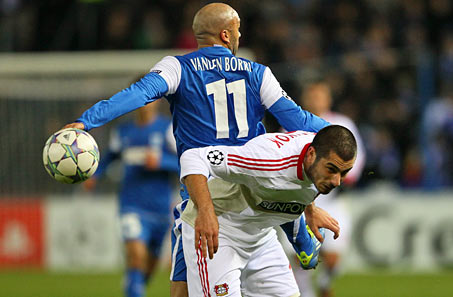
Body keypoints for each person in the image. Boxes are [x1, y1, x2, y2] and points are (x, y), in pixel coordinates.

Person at [64, 3, 332, 296]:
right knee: (273, 173)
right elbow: (298, 121)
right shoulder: (258, 73)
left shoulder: (177, 67)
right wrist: (339, 135)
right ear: (226, 35)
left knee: (180, 290)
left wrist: (86, 121)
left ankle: (295, 225)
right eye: (238, 28)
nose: (240, 34)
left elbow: (138, 94)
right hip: (254, 188)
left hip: (204, 193)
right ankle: (295, 226)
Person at [179, 125, 357, 296]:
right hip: (219, 230)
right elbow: (194, 158)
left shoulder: (322, 159)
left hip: (260, 235)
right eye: (332, 170)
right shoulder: (268, 160)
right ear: (311, 154)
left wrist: (310, 209)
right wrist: (205, 211)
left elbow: (292, 187)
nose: (336, 181)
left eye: (344, 173)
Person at [82, 101, 180, 297]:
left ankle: (132, 286)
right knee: (136, 257)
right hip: (131, 205)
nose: (146, 106)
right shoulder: (123, 132)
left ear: (157, 103)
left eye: (151, 101)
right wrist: (95, 174)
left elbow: (185, 163)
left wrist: (162, 161)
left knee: (148, 268)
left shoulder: (167, 129)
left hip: (160, 209)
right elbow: (110, 157)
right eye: (142, 102)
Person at [296, 82, 366, 297]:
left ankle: (325, 283)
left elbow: (358, 158)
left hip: (333, 200)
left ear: (328, 99)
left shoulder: (342, 124)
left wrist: (344, 181)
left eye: (320, 95)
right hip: (301, 201)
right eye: (312, 95)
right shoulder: (294, 124)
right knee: (299, 258)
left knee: (334, 255)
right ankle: (306, 293)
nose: (315, 100)